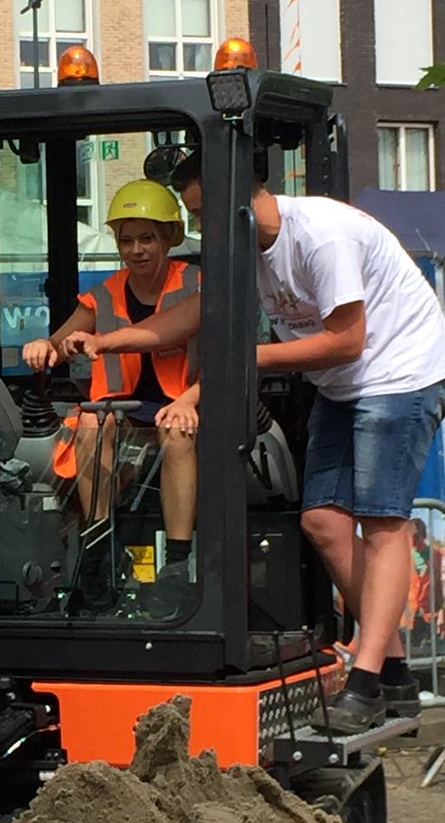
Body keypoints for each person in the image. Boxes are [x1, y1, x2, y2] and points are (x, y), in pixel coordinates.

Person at [85, 148, 445, 732]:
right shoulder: (246, 249)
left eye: (202, 213)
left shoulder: (321, 236)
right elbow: (195, 315)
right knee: (323, 523)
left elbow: (347, 341)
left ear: (240, 200)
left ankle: (365, 681)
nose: (199, 227)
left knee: (383, 523)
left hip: (399, 373)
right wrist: (110, 341)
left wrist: (247, 358)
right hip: (342, 383)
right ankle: (396, 673)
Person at [22, 179, 201, 616]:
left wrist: (189, 400)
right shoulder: (102, 294)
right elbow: (60, 344)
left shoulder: (198, 285)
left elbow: (225, 357)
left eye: (147, 238)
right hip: (121, 410)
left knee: (177, 432)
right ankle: (99, 547)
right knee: (88, 422)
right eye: (126, 240)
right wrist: (44, 347)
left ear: (169, 238)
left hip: (184, 402)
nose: (136, 250)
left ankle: (177, 562)